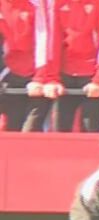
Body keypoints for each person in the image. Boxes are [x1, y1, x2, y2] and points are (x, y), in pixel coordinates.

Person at [48, 0, 99, 132]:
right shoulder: (57, 3)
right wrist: (52, 78)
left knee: (90, 131)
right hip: (64, 76)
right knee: (60, 131)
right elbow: (52, 40)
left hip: (92, 76)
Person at [0, 0, 57, 131]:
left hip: (38, 74)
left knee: (31, 129)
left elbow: (46, 40)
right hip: (9, 76)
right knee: (11, 128)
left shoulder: (39, 5)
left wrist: (40, 78)